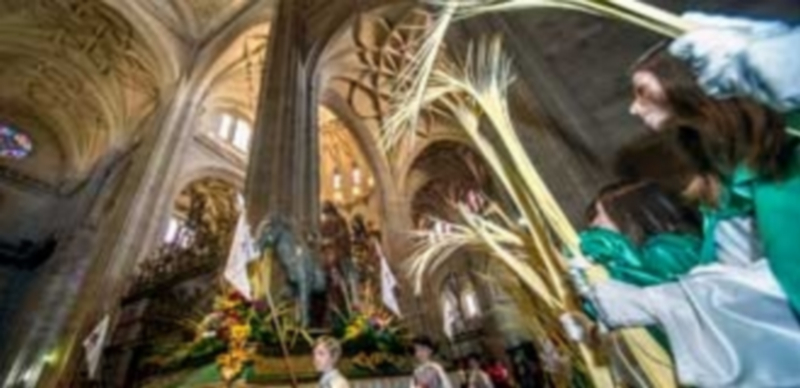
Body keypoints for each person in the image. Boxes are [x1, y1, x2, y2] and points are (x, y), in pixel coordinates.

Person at [628, 44, 800, 315]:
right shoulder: (719, 174)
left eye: (642, 91)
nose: (634, 109)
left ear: (683, 80)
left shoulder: (787, 148)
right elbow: (733, 264)